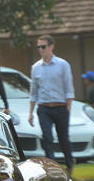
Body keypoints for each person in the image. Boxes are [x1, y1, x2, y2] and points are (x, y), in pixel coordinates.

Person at [28, 34, 75, 172]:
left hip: (60, 107)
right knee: (47, 137)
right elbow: (33, 92)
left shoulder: (62, 65)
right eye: (38, 47)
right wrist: (30, 113)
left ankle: (69, 163)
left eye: (43, 46)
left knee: (63, 138)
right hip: (44, 108)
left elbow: (69, 89)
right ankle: (52, 167)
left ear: (51, 47)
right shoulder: (36, 67)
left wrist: (68, 109)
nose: (41, 50)